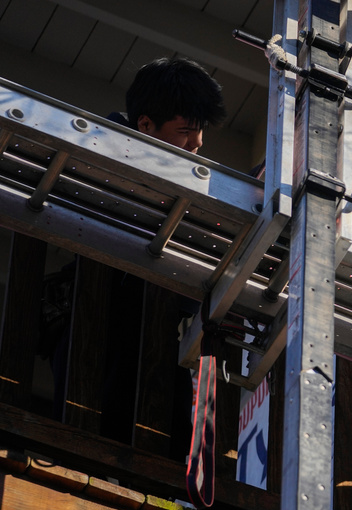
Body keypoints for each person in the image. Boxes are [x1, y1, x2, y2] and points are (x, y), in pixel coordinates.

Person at [46, 57, 226, 459]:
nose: (195, 147)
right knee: (89, 446)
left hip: (153, 346)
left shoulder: (186, 187)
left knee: (162, 452)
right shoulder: (96, 155)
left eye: (199, 136)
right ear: (144, 125)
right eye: (184, 133)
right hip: (102, 332)